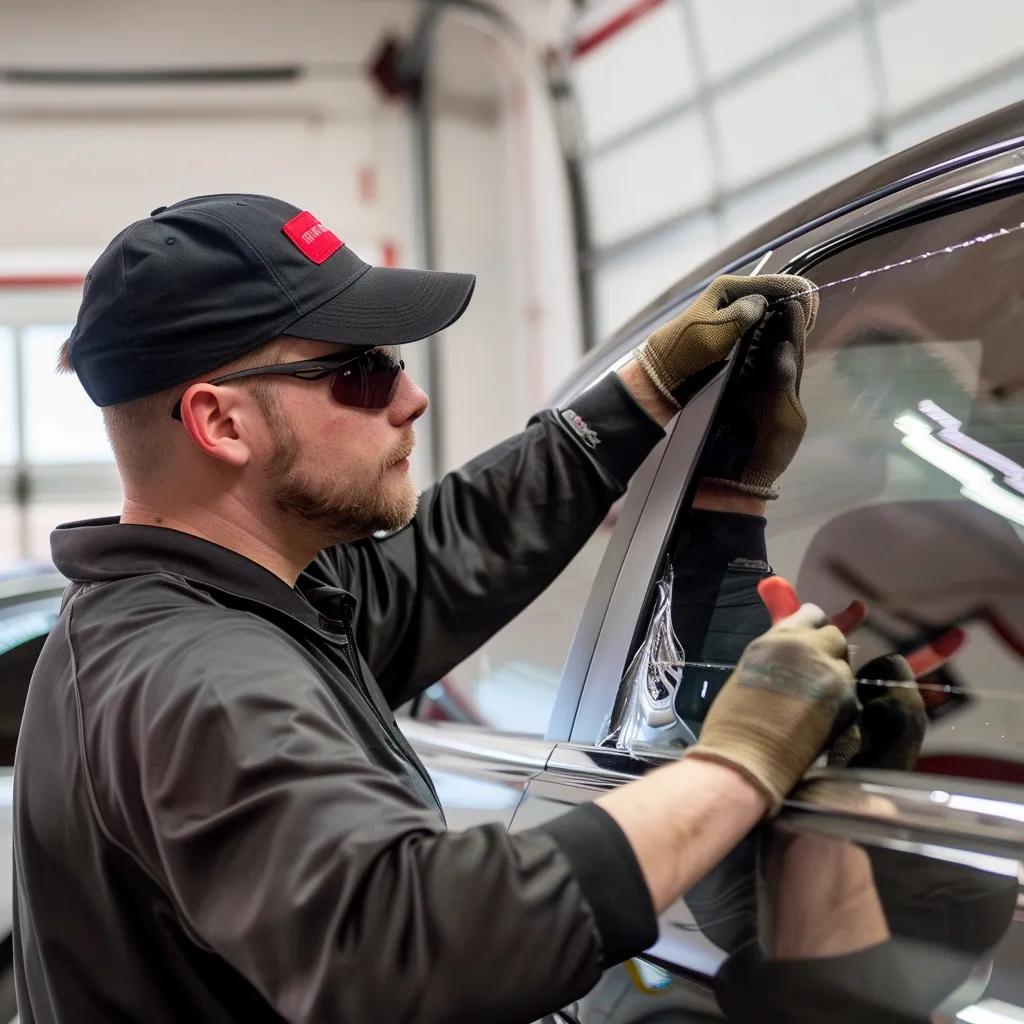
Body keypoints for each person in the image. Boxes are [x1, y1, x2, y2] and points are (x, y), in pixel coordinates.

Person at [14, 193, 851, 1024]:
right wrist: (741, 758)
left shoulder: (232, 606)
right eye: (361, 371)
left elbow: (446, 558)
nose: (410, 398)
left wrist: (643, 395)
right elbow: (407, 942)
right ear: (222, 422)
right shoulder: (197, 677)